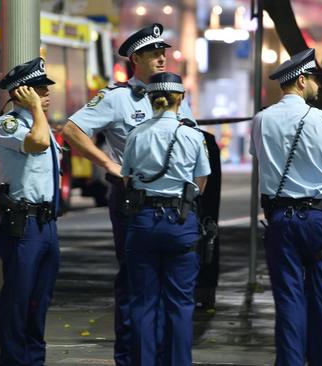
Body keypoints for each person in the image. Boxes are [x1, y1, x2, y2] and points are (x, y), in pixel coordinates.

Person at [61, 23, 196, 365]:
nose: (162, 57)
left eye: (163, 51)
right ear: (135, 58)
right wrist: (108, 163)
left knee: (171, 290)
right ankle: (130, 357)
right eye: (154, 53)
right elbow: (72, 130)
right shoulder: (118, 98)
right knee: (136, 286)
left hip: (176, 205)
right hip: (130, 200)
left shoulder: (177, 95)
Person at [250, 48, 322, 366]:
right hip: (318, 218)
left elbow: (261, 158)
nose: (318, 85)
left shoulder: (261, 119)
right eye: (315, 78)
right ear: (301, 80)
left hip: (279, 220)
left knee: (288, 299)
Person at [121, 72, 210, 366]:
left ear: (150, 99)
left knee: (143, 303)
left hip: (143, 221)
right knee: (180, 303)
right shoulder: (193, 135)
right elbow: (200, 183)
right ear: (180, 99)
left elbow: (127, 178)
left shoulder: (136, 134)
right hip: (180, 222)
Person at [0, 57, 60, 366]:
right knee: (18, 301)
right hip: (22, 224)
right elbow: (39, 143)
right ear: (22, 93)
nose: (47, 94)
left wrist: (37, 113)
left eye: (46, 88)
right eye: (40, 89)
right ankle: (15, 361)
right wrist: (33, 109)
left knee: (39, 302)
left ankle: (35, 360)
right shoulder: (8, 125)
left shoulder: (37, 122)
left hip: (46, 223)